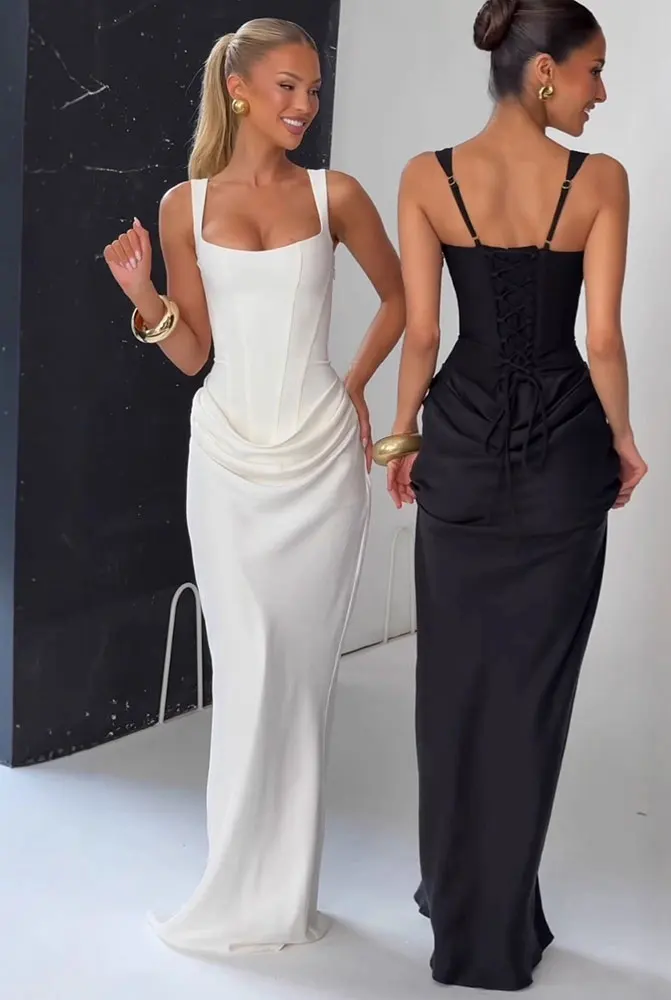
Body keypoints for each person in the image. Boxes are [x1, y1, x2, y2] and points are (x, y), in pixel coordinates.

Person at [103, 18, 404, 955]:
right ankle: (232, 889)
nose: (305, 105)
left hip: (321, 462)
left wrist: (355, 387)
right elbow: (195, 353)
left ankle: (285, 897)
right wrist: (144, 299)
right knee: (243, 676)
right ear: (238, 89)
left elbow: (401, 298)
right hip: (228, 461)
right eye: (287, 86)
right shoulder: (183, 206)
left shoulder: (334, 193)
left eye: (313, 89)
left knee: (303, 682)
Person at [378, 0, 647, 991]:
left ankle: (458, 906)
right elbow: (602, 339)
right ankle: (497, 920)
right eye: (592, 70)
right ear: (543, 74)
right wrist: (622, 440)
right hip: (563, 458)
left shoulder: (425, 176)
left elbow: (420, 334)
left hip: (457, 443)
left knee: (452, 689)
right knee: (531, 700)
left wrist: (404, 436)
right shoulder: (599, 181)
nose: (600, 92)